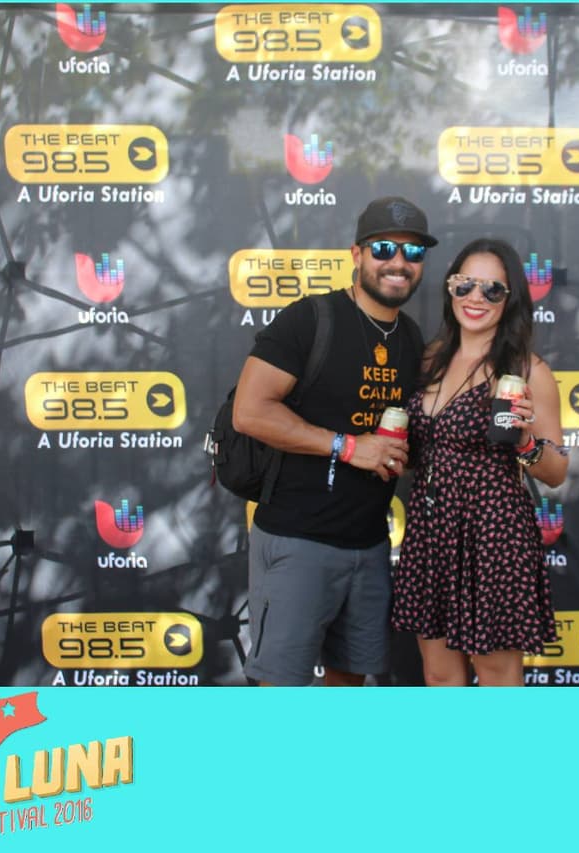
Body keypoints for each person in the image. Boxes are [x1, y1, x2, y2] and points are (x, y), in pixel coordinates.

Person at [231, 196, 438, 686]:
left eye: (413, 252)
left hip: (370, 544)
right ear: (357, 254)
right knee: (280, 687)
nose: (398, 262)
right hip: (298, 539)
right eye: (384, 248)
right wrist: (348, 446)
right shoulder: (311, 318)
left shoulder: (410, 338)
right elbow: (249, 411)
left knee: (349, 683)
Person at [391, 237, 569, 686]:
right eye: (465, 284)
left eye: (492, 289)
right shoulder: (429, 359)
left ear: (510, 300)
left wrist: (525, 441)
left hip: (495, 534)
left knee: (496, 675)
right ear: (450, 288)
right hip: (431, 531)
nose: (476, 297)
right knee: (439, 676)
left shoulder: (528, 371)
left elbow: (557, 472)